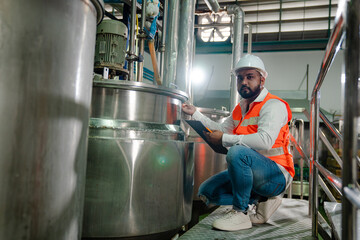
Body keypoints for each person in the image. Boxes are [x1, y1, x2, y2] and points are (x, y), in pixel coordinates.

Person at [182, 54, 294, 231]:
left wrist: (225, 139)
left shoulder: (273, 105)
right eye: (240, 78)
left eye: (250, 77)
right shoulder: (240, 108)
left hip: (276, 175)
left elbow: (265, 141)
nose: (244, 82)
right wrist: (195, 113)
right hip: (253, 172)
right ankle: (260, 200)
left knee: (237, 151)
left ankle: (240, 212)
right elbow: (219, 129)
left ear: (262, 80)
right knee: (207, 192)